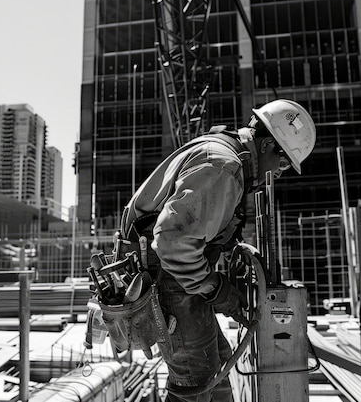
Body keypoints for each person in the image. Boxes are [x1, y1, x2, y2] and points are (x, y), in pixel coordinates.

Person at [119, 99, 316, 402]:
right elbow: (172, 243)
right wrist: (214, 288)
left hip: (170, 276)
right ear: (266, 146)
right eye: (284, 162)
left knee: (215, 376)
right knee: (195, 385)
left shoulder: (226, 157)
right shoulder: (223, 166)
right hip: (167, 278)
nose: (280, 172)